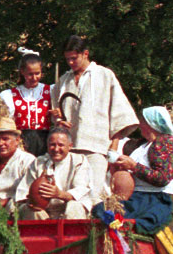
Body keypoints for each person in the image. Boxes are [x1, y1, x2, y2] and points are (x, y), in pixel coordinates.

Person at [50, 35, 137, 199]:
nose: (70, 63)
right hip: (68, 148)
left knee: (93, 193)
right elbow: (57, 113)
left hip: (96, 146)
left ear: (85, 54)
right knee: (70, 193)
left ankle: (93, 225)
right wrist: (59, 120)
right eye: (67, 59)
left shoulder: (104, 75)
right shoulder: (63, 80)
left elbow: (119, 113)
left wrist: (114, 145)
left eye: (74, 58)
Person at [113, 105, 173, 234]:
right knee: (103, 212)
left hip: (156, 199)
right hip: (139, 197)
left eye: (142, 121)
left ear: (151, 123)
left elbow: (162, 178)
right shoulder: (143, 145)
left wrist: (133, 166)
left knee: (116, 218)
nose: (140, 124)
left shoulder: (164, 143)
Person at [16, 119, 94, 219]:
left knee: (74, 207)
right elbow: (25, 189)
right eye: (52, 145)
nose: (56, 149)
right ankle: (39, 234)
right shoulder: (38, 162)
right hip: (45, 210)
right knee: (30, 210)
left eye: (61, 145)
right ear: (47, 146)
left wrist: (59, 194)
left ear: (70, 146)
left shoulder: (79, 161)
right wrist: (31, 199)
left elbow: (81, 190)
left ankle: (73, 234)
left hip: (68, 208)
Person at [0, 49, 54, 156]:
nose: (34, 78)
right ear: (22, 72)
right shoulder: (10, 95)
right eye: (30, 74)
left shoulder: (50, 91)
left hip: (45, 142)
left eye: (37, 73)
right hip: (22, 144)